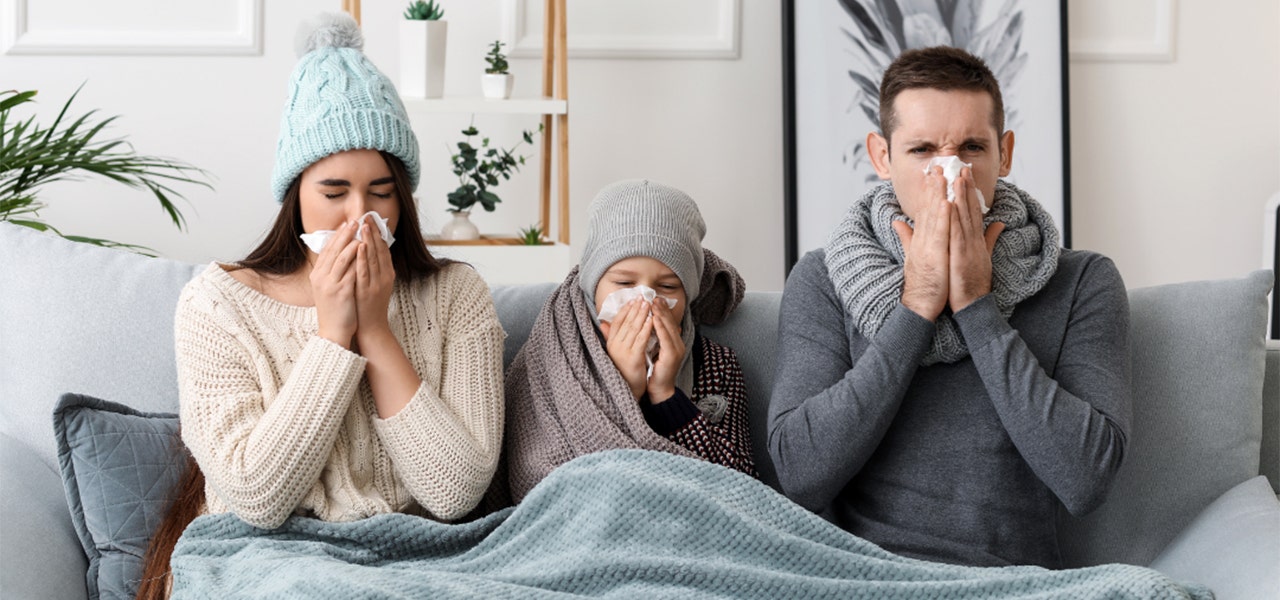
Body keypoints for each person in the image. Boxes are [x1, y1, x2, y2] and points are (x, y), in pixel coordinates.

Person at [136, 13, 505, 598]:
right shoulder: (217, 306)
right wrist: (333, 334)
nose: (360, 215)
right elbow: (257, 495)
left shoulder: (457, 295)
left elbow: (456, 491)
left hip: (422, 559)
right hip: (265, 559)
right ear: (296, 197)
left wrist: (376, 330)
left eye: (382, 192)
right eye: (334, 192)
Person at [768, 46, 1130, 569]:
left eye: (970, 148)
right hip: (861, 578)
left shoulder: (1082, 281)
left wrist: (978, 306)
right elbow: (800, 474)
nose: (949, 174)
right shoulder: (824, 278)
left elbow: (1088, 480)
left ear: (1004, 153)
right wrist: (916, 305)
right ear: (881, 156)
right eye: (922, 151)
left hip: (1012, 582)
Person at [499, 180, 756, 504]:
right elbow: (538, 483)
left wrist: (666, 396)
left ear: (689, 294)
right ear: (592, 284)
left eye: (667, 287)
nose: (645, 300)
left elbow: (742, 489)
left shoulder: (717, 365)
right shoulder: (555, 355)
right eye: (624, 282)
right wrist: (624, 390)